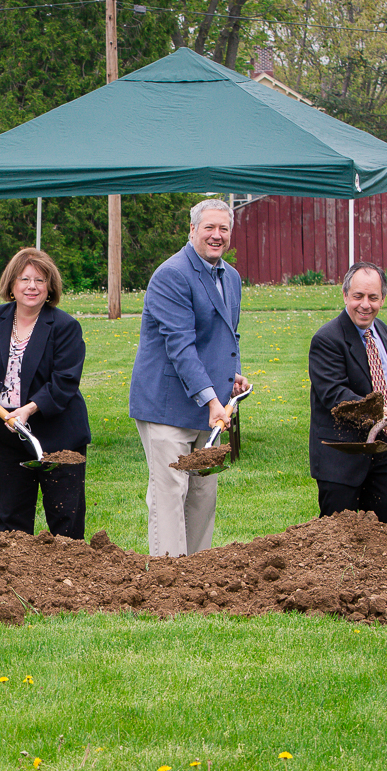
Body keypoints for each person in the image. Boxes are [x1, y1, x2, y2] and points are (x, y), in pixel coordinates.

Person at [128, 198, 251, 556]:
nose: (217, 236)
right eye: (209, 228)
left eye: (223, 229)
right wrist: (214, 399)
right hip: (166, 404)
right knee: (170, 491)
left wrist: (231, 377)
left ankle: (197, 573)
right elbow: (180, 346)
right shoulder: (172, 274)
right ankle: (169, 578)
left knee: (203, 493)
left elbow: (225, 336)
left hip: (208, 406)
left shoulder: (231, 277)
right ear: (192, 230)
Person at [0, 247, 90, 538]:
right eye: (25, 279)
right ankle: (15, 578)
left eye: (40, 280)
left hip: (58, 436)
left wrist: (28, 410)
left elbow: (65, 381)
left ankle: (68, 577)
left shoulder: (65, 326)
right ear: (11, 284)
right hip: (8, 435)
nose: (32, 287)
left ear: (50, 286)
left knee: (65, 518)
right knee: (11, 520)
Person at [307, 262, 387, 528]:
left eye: (373, 298)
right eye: (358, 296)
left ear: (383, 299)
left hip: (384, 452)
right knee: (338, 540)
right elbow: (334, 394)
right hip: (343, 459)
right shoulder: (327, 339)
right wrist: (376, 412)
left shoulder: (381, 331)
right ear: (345, 295)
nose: (365, 305)